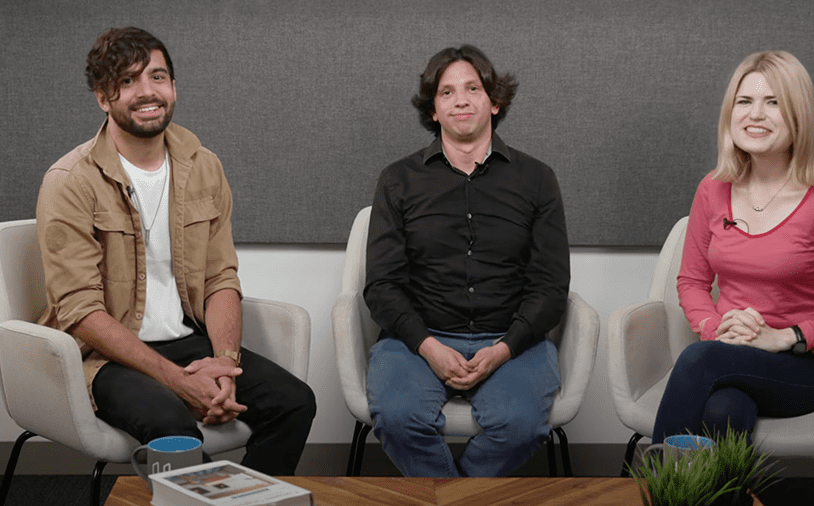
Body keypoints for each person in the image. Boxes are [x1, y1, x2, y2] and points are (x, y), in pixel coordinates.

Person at [35, 26, 316, 475]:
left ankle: (250, 502)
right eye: (127, 81)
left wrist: (224, 364)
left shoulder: (204, 166)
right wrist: (179, 384)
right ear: (103, 98)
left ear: (173, 86)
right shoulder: (69, 181)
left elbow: (220, 278)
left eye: (157, 76)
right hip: (105, 358)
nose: (147, 91)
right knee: (171, 423)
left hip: (187, 342)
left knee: (295, 401)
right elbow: (80, 311)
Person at [652, 51, 814, 444]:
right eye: (744, 101)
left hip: (808, 366)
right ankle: (713, 484)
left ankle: (651, 481)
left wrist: (785, 336)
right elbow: (691, 281)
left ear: (798, 116)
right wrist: (715, 328)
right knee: (724, 410)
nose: (755, 114)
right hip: (729, 354)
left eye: (773, 102)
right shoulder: (713, 188)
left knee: (699, 359)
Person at [364, 45, 570, 477]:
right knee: (398, 419)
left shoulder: (537, 179)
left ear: (494, 102)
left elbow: (551, 287)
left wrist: (503, 349)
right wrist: (428, 346)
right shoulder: (398, 180)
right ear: (433, 110)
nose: (460, 100)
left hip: (512, 340)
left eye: (473, 88)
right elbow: (382, 285)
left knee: (519, 425)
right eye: (447, 92)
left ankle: (447, 497)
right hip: (419, 339)